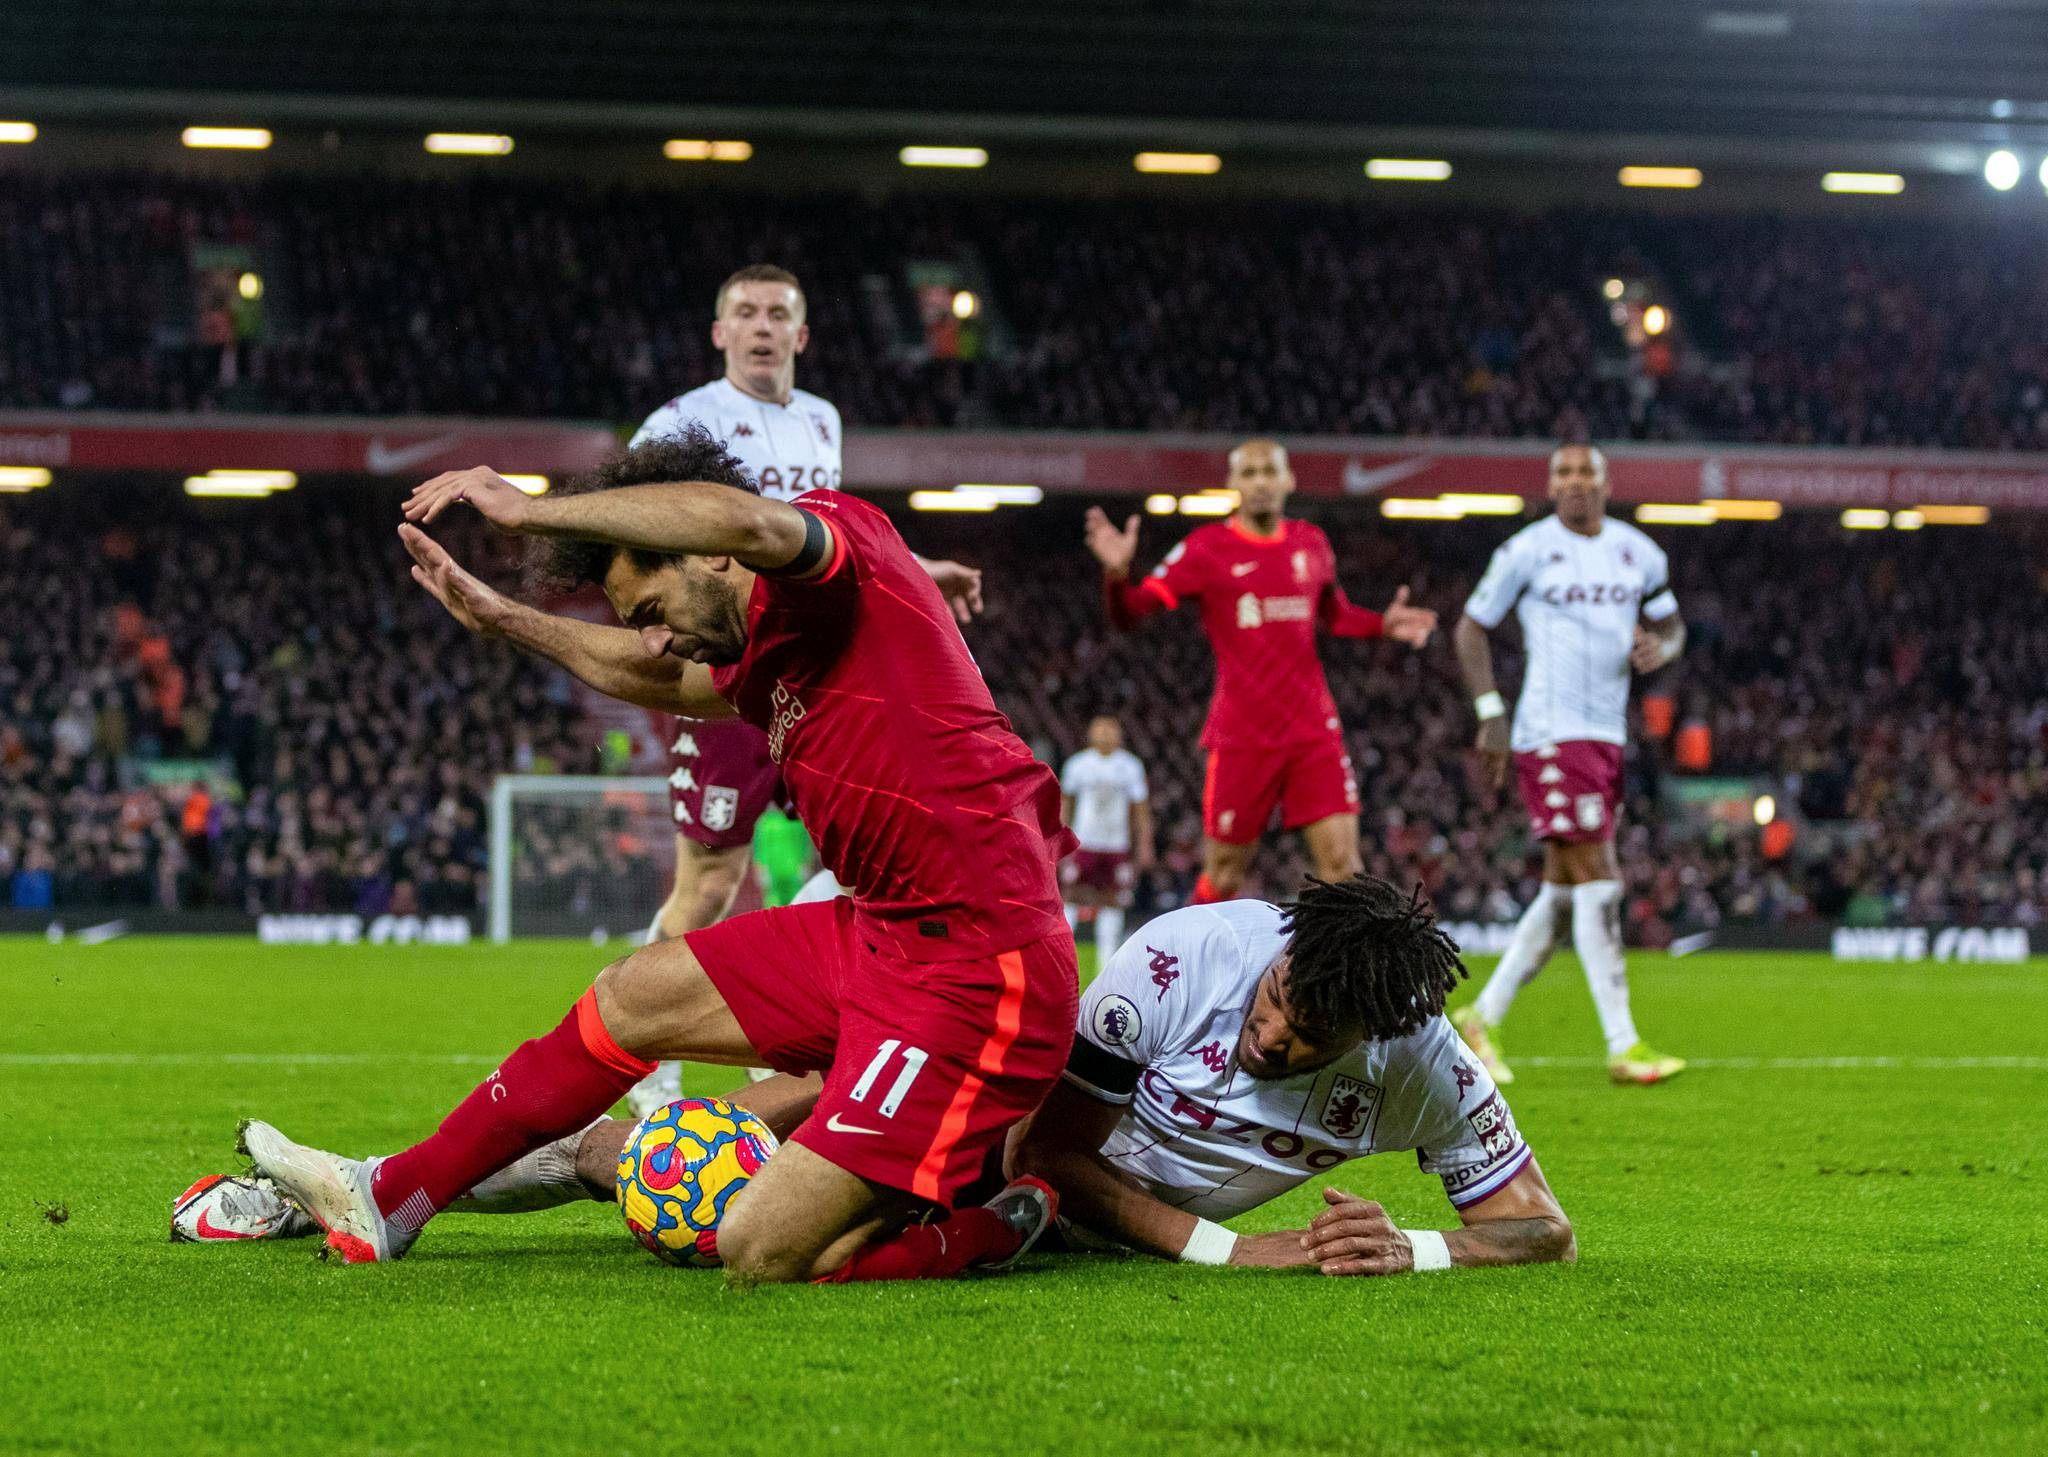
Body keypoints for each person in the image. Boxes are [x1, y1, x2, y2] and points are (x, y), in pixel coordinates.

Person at [236, 428, 1078, 1283]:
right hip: (883, 935)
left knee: (761, 1250)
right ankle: (389, 1197)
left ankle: (979, 1224)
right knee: (630, 994)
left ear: (706, 556)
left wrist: (528, 512)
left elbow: (742, 521)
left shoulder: (837, 545)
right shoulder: (756, 648)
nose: (651, 638)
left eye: (649, 611)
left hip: (982, 966)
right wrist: (506, 618)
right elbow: (666, 683)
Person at [188, 877, 1574, 1281]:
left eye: (1305, 1043)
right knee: (672, 1163)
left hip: (1023, 1197)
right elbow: (1054, 1151)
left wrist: (1419, 1249)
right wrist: (1231, 1250)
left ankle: (376, 1192)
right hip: (1005, 1142)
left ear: (1373, 1047)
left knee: (683, 1158)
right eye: (1276, 1006)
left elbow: (1541, 1230)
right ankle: (379, 1188)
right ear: (1273, 957)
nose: (1272, 1038)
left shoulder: (1421, 1066)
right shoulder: (1187, 958)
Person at [625, 263, 983, 1114]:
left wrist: (921, 571)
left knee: (855, 869)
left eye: (776, 314)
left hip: (821, 672)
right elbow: (629, 517)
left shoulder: (821, 419)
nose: (760, 326)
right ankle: (646, 1061)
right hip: (730, 668)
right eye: (743, 312)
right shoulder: (681, 421)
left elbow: (824, 542)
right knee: (709, 885)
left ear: (801, 332)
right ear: (718, 333)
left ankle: (793, 1044)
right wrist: (648, 608)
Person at [1083, 439, 1436, 905]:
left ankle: (1336, 979)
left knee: (1344, 869)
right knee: (1224, 875)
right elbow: (1130, 613)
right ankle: (1198, 973)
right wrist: (1116, 577)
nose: (1261, 483)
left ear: (1288, 480)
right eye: (1249, 473)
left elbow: (1336, 615)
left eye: (1269, 472)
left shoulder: (1311, 543)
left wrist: (1381, 625)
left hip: (1313, 731)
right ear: (1232, 483)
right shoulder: (1207, 549)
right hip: (1242, 735)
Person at [1450, 444, 1687, 1086]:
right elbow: (1470, 629)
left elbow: (1673, 627)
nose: (1576, 483)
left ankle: (1481, 1019)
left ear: (1607, 484)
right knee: (1599, 878)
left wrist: (1658, 647)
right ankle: (1623, 1042)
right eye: (1564, 474)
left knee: (1562, 892)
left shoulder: (1640, 553)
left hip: (1606, 733)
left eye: (1587, 473)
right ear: (1551, 486)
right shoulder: (1526, 550)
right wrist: (1491, 711)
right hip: (1552, 733)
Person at [1058, 715, 1153, 969]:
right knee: (1072, 896)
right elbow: (1066, 805)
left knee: (1113, 899)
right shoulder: (1078, 765)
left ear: (1119, 735)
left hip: (1115, 845)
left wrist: (1144, 845)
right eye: (1099, 728)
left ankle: (1107, 965)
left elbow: (1140, 810)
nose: (1105, 734)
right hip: (1084, 842)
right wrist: (1059, 839)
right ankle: (1062, 957)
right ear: (1090, 733)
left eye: (1110, 729)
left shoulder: (1130, 766)